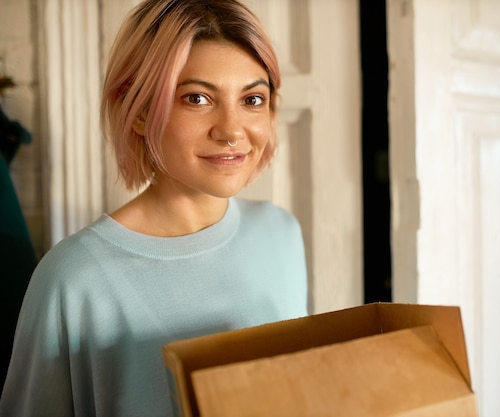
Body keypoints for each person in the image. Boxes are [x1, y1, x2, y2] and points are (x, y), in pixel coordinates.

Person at [0, 0, 308, 415]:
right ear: (141, 110)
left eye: (252, 99)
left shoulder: (281, 234)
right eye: (197, 98)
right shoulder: (73, 279)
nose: (232, 130)